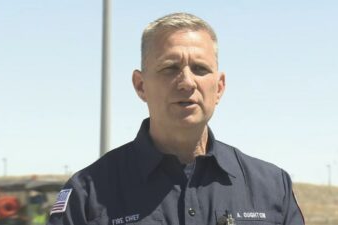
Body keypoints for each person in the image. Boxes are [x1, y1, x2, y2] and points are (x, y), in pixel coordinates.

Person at [47, 12, 304, 225]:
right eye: (170, 68)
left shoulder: (271, 187)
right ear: (140, 85)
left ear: (220, 87)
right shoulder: (88, 196)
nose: (187, 82)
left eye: (200, 69)